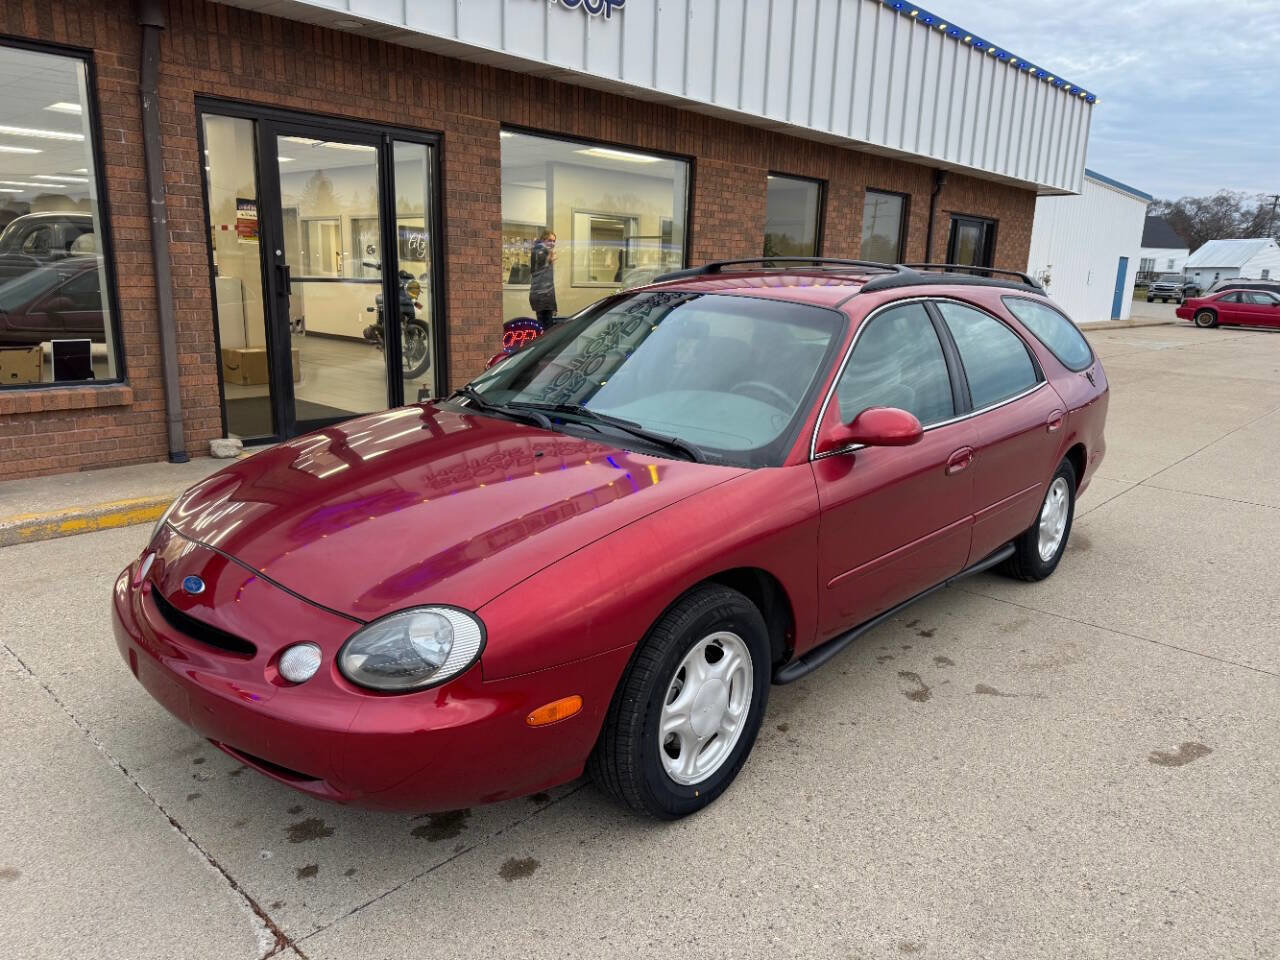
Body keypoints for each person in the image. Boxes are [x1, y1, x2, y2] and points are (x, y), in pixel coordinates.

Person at [529, 230, 557, 326]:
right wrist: (550, 256)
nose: (552, 243)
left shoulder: (543, 251)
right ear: (543, 240)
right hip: (542, 297)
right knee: (545, 329)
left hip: (545, 297)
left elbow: (548, 281)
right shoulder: (539, 251)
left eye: (554, 241)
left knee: (545, 326)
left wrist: (553, 305)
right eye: (550, 240)